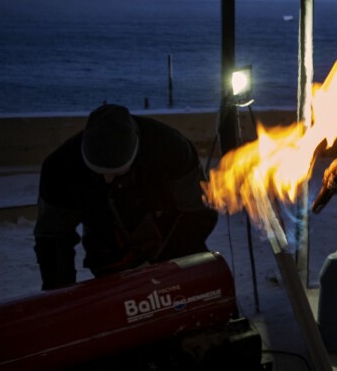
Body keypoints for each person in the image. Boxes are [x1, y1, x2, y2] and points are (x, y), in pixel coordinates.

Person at [34, 104, 218, 290]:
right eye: (99, 173)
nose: (107, 179)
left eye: (116, 173)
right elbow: (53, 237)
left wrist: (163, 263)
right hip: (108, 249)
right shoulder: (59, 168)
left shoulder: (172, 148)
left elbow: (198, 212)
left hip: (173, 242)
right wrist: (60, 293)